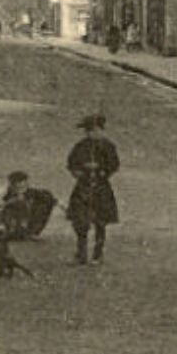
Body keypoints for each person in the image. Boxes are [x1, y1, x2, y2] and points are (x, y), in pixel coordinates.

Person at [66, 114, 119, 266]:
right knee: (80, 221)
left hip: (101, 187)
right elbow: (71, 163)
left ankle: (98, 254)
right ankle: (81, 253)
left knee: (100, 222)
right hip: (83, 186)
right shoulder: (81, 146)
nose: (92, 134)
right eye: (89, 131)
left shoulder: (108, 146)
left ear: (102, 130)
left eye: (96, 130)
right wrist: (79, 172)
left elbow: (114, 165)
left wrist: (102, 170)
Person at [1, 170, 58, 239]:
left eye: (23, 185)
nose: (21, 187)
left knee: (46, 199)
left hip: (27, 225)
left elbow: (49, 198)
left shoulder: (31, 192)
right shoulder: (7, 195)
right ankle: (20, 232)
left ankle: (32, 232)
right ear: (12, 185)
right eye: (17, 186)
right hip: (13, 226)